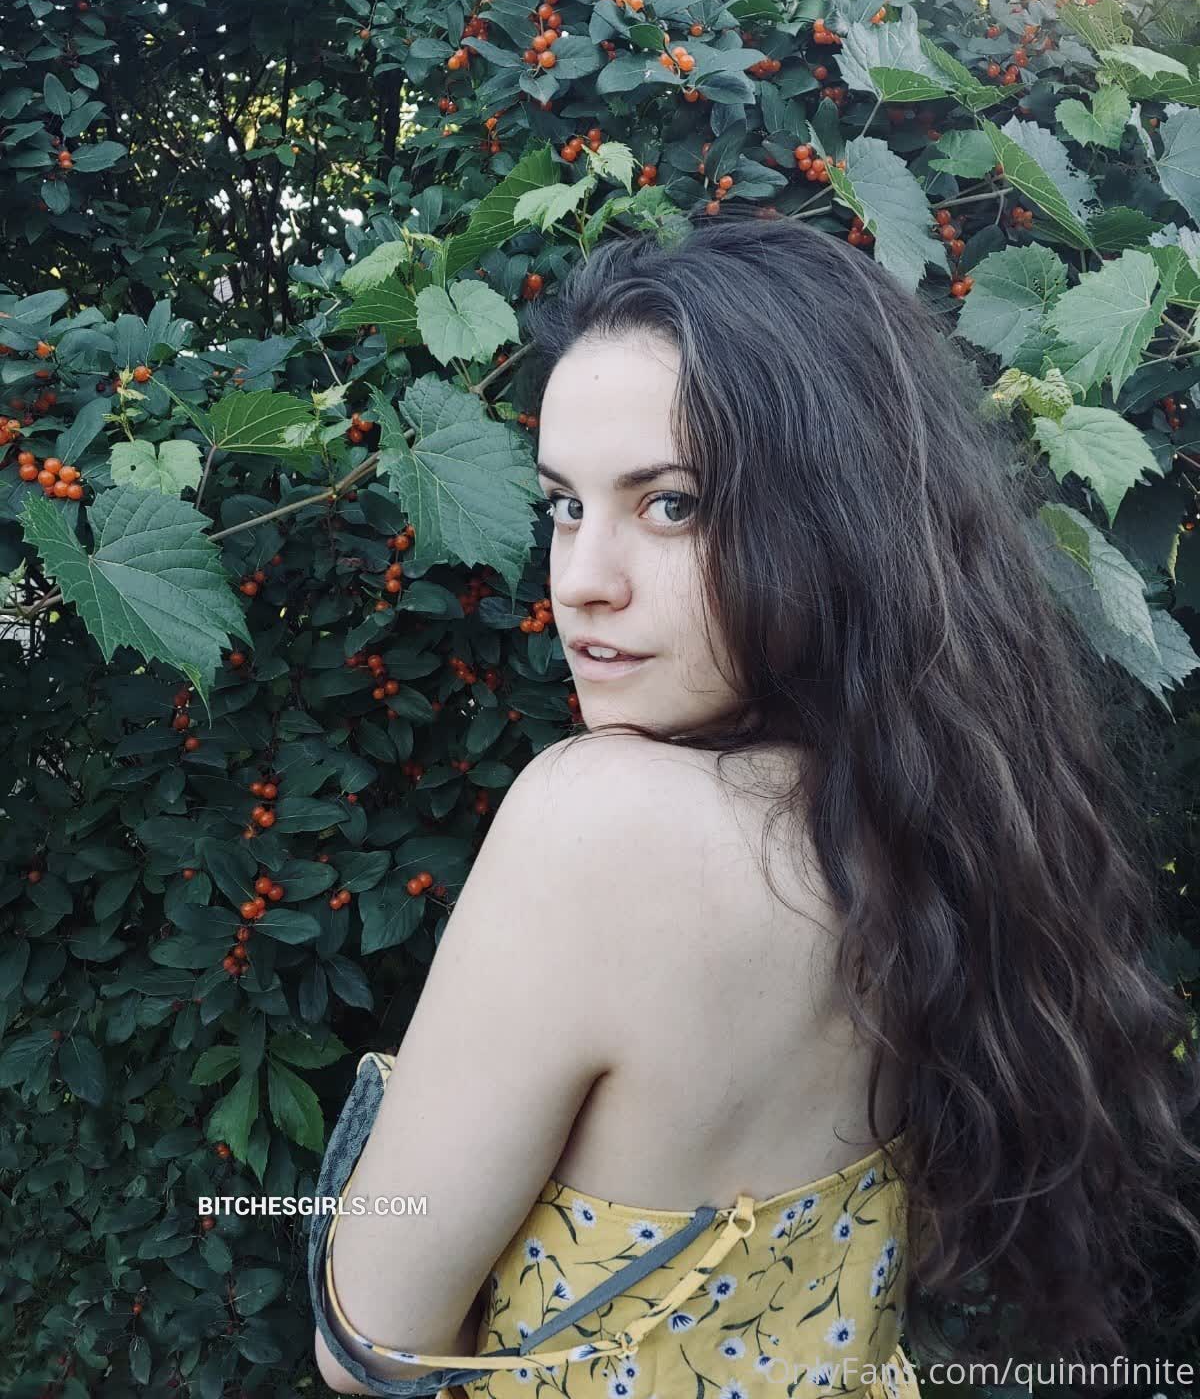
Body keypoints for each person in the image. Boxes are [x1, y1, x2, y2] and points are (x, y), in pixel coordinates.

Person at [313, 208, 1200, 1399]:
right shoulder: (934, 814)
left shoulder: (596, 825)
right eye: (567, 504)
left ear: (830, 518)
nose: (581, 581)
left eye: (670, 504)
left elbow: (369, 1344)